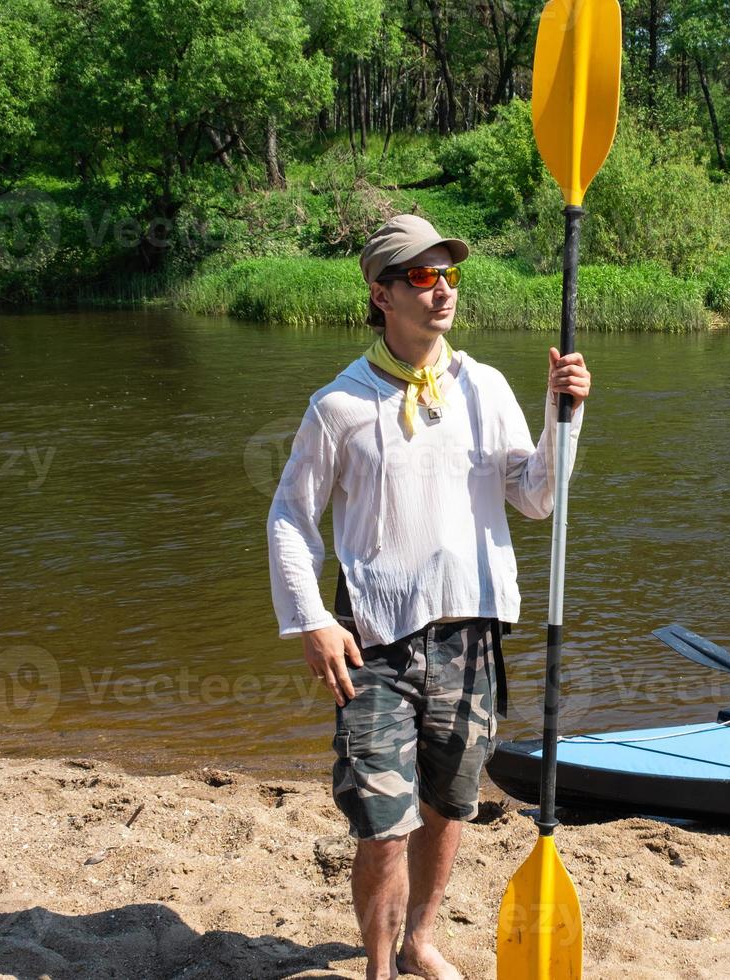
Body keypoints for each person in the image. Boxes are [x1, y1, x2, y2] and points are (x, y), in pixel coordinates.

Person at [267, 213, 590, 980]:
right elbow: (289, 515)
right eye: (421, 275)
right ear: (381, 295)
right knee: (382, 824)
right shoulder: (338, 406)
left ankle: (419, 939)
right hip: (371, 643)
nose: (441, 288)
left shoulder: (486, 387)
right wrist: (310, 618)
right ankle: (379, 969)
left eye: (448, 274)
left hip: (470, 636)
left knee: (451, 806)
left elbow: (537, 497)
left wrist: (563, 416)